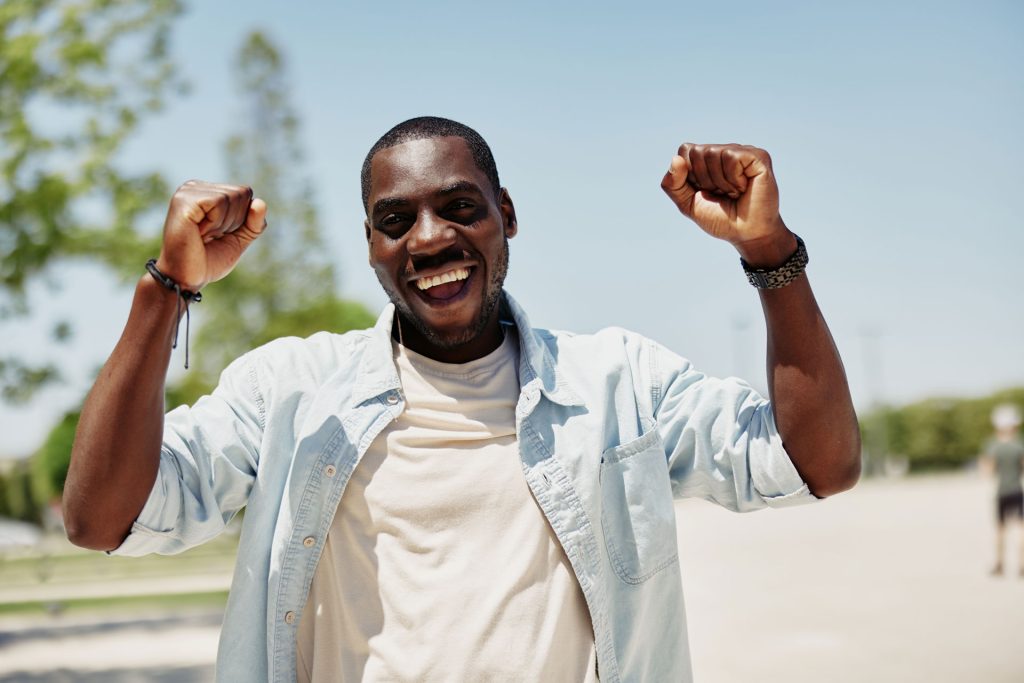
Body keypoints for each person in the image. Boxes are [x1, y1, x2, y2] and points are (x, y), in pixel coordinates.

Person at [64, 116, 861, 682]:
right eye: (395, 220)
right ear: (371, 246)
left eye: (459, 207)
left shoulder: (619, 382)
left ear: (505, 214)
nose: (429, 237)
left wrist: (768, 250)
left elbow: (816, 464)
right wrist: (166, 289)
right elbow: (101, 518)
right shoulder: (293, 394)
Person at [983, 403, 1024, 576]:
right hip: (1017, 491)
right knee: (1021, 529)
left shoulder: (993, 446)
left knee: (1000, 530)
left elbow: (988, 471)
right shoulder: (1019, 445)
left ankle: (999, 564)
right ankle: (1022, 565)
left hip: (1001, 492)